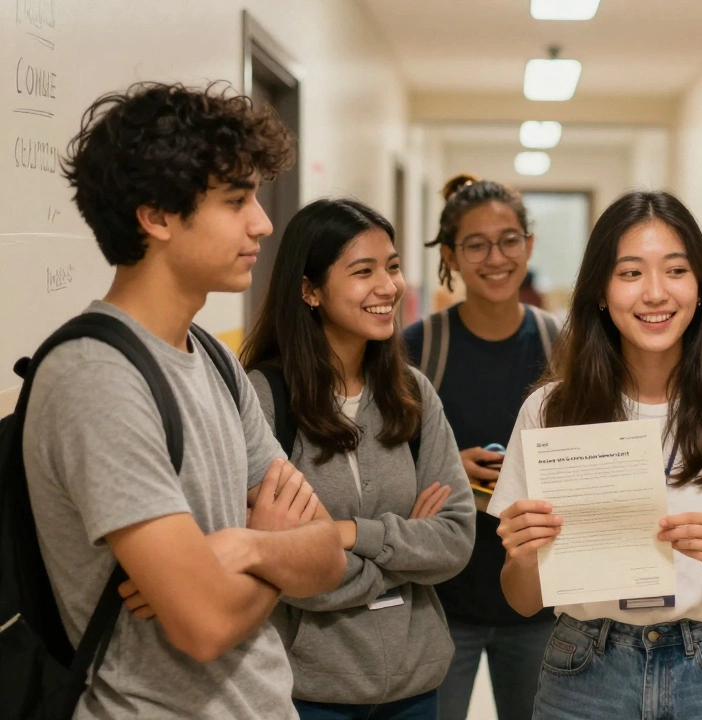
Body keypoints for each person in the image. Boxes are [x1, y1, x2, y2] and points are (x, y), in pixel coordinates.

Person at [24, 82, 346, 719]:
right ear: (156, 216)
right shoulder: (96, 377)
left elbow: (329, 556)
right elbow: (203, 626)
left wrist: (248, 549)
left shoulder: (216, 360)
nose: (263, 222)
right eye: (236, 200)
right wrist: (271, 549)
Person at [488, 190, 702, 719]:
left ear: (701, 287)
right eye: (631, 273)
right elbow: (522, 599)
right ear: (599, 290)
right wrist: (524, 554)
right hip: (584, 670)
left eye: (676, 271)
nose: (655, 294)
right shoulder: (551, 410)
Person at [240, 197, 475, 720]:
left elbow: (456, 538)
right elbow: (281, 568)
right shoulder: (265, 398)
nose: (388, 286)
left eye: (392, 267)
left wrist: (346, 535)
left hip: (415, 689)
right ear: (310, 290)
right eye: (363, 271)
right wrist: (404, 556)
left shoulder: (411, 391)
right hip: (308, 693)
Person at [402, 175, 559, 720]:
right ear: (451, 254)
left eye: (509, 239)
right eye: (476, 244)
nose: (496, 257)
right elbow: (383, 461)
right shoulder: (418, 347)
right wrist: (447, 467)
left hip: (542, 603)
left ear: (529, 245)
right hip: (444, 603)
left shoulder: (561, 346)